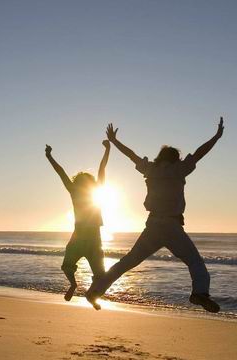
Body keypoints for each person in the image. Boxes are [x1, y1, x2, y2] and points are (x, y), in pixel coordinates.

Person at [86, 119, 225, 313]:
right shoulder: (179, 169)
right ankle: (200, 293)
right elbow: (200, 153)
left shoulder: (150, 169)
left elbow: (131, 156)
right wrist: (216, 137)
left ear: (160, 157)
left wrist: (115, 141)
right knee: (195, 262)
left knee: (127, 262)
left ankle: (95, 291)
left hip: (152, 226)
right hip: (171, 226)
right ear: (176, 158)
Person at [45, 134, 110, 306]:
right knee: (99, 274)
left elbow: (62, 173)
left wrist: (49, 156)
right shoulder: (90, 191)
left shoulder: (77, 190)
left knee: (72, 266)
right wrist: (107, 149)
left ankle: (83, 289)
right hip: (91, 238)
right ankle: (87, 292)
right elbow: (101, 170)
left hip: (81, 236)